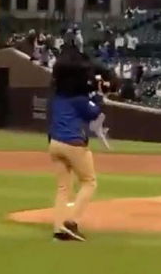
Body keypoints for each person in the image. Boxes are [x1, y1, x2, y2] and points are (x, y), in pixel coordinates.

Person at [47, 39, 102, 242]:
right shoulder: (79, 99)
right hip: (73, 143)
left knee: (63, 188)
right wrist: (98, 98)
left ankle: (58, 228)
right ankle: (71, 221)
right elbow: (93, 113)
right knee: (89, 182)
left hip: (54, 143)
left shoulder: (58, 96)